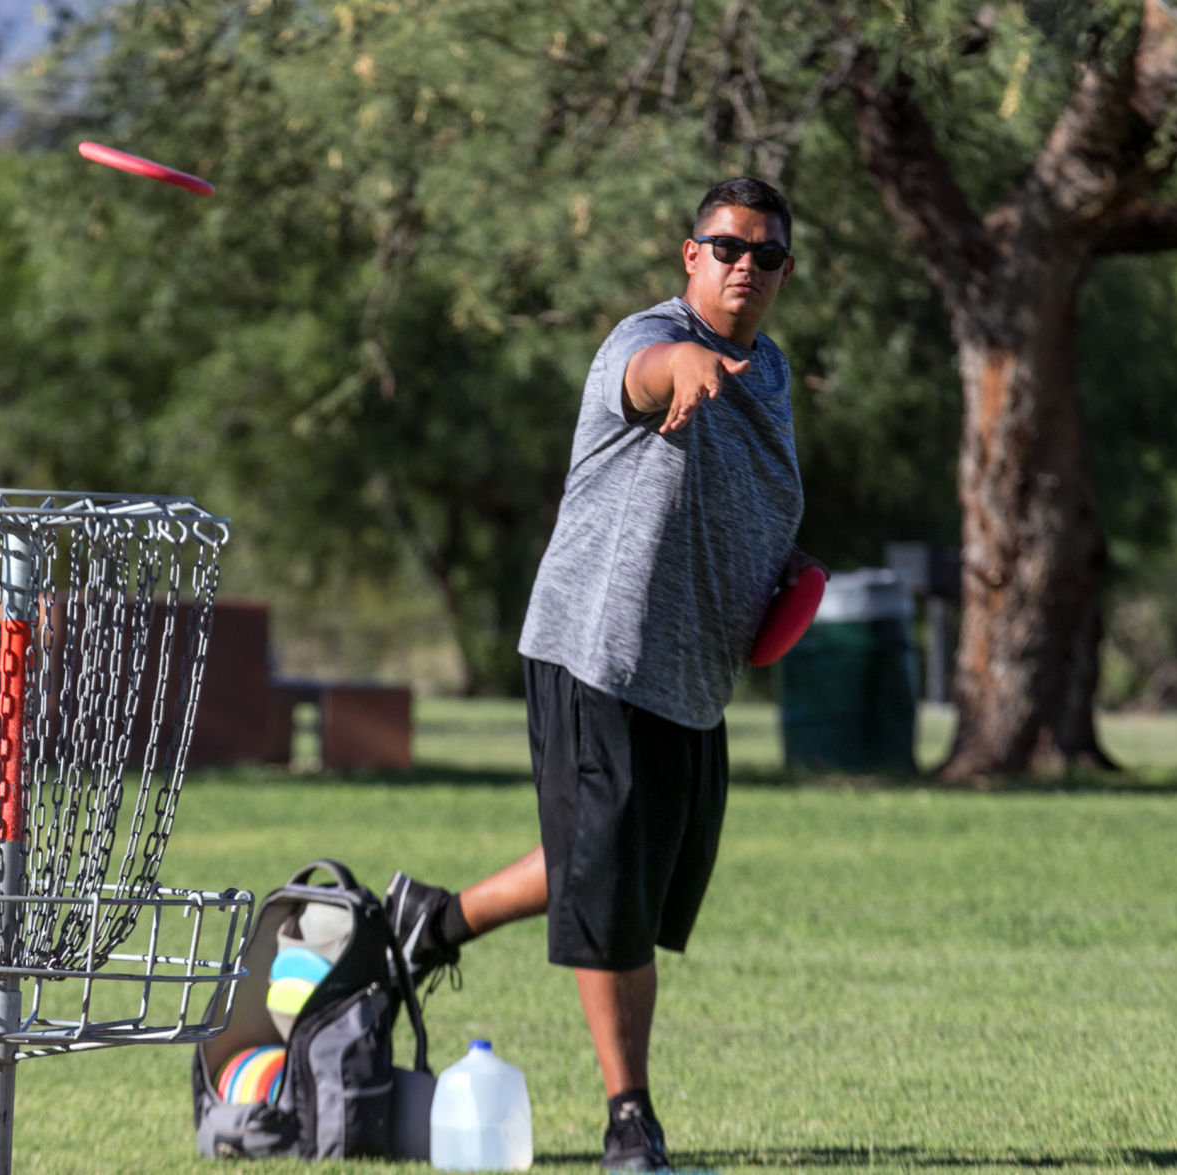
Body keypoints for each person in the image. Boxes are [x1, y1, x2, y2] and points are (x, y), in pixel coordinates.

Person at [384, 178, 824, 1172]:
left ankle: (432, 920)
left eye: (764, 256)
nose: (743, 267)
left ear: (783, 272)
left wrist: (778, 572)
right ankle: (630, 1117)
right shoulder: (646, 337)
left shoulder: (775, 372)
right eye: (725, 248)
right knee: (613, 879)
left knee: (621, 864)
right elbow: (640, 373)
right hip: (602, 652)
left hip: (693, 675)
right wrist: (677, 368)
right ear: (689, 255)